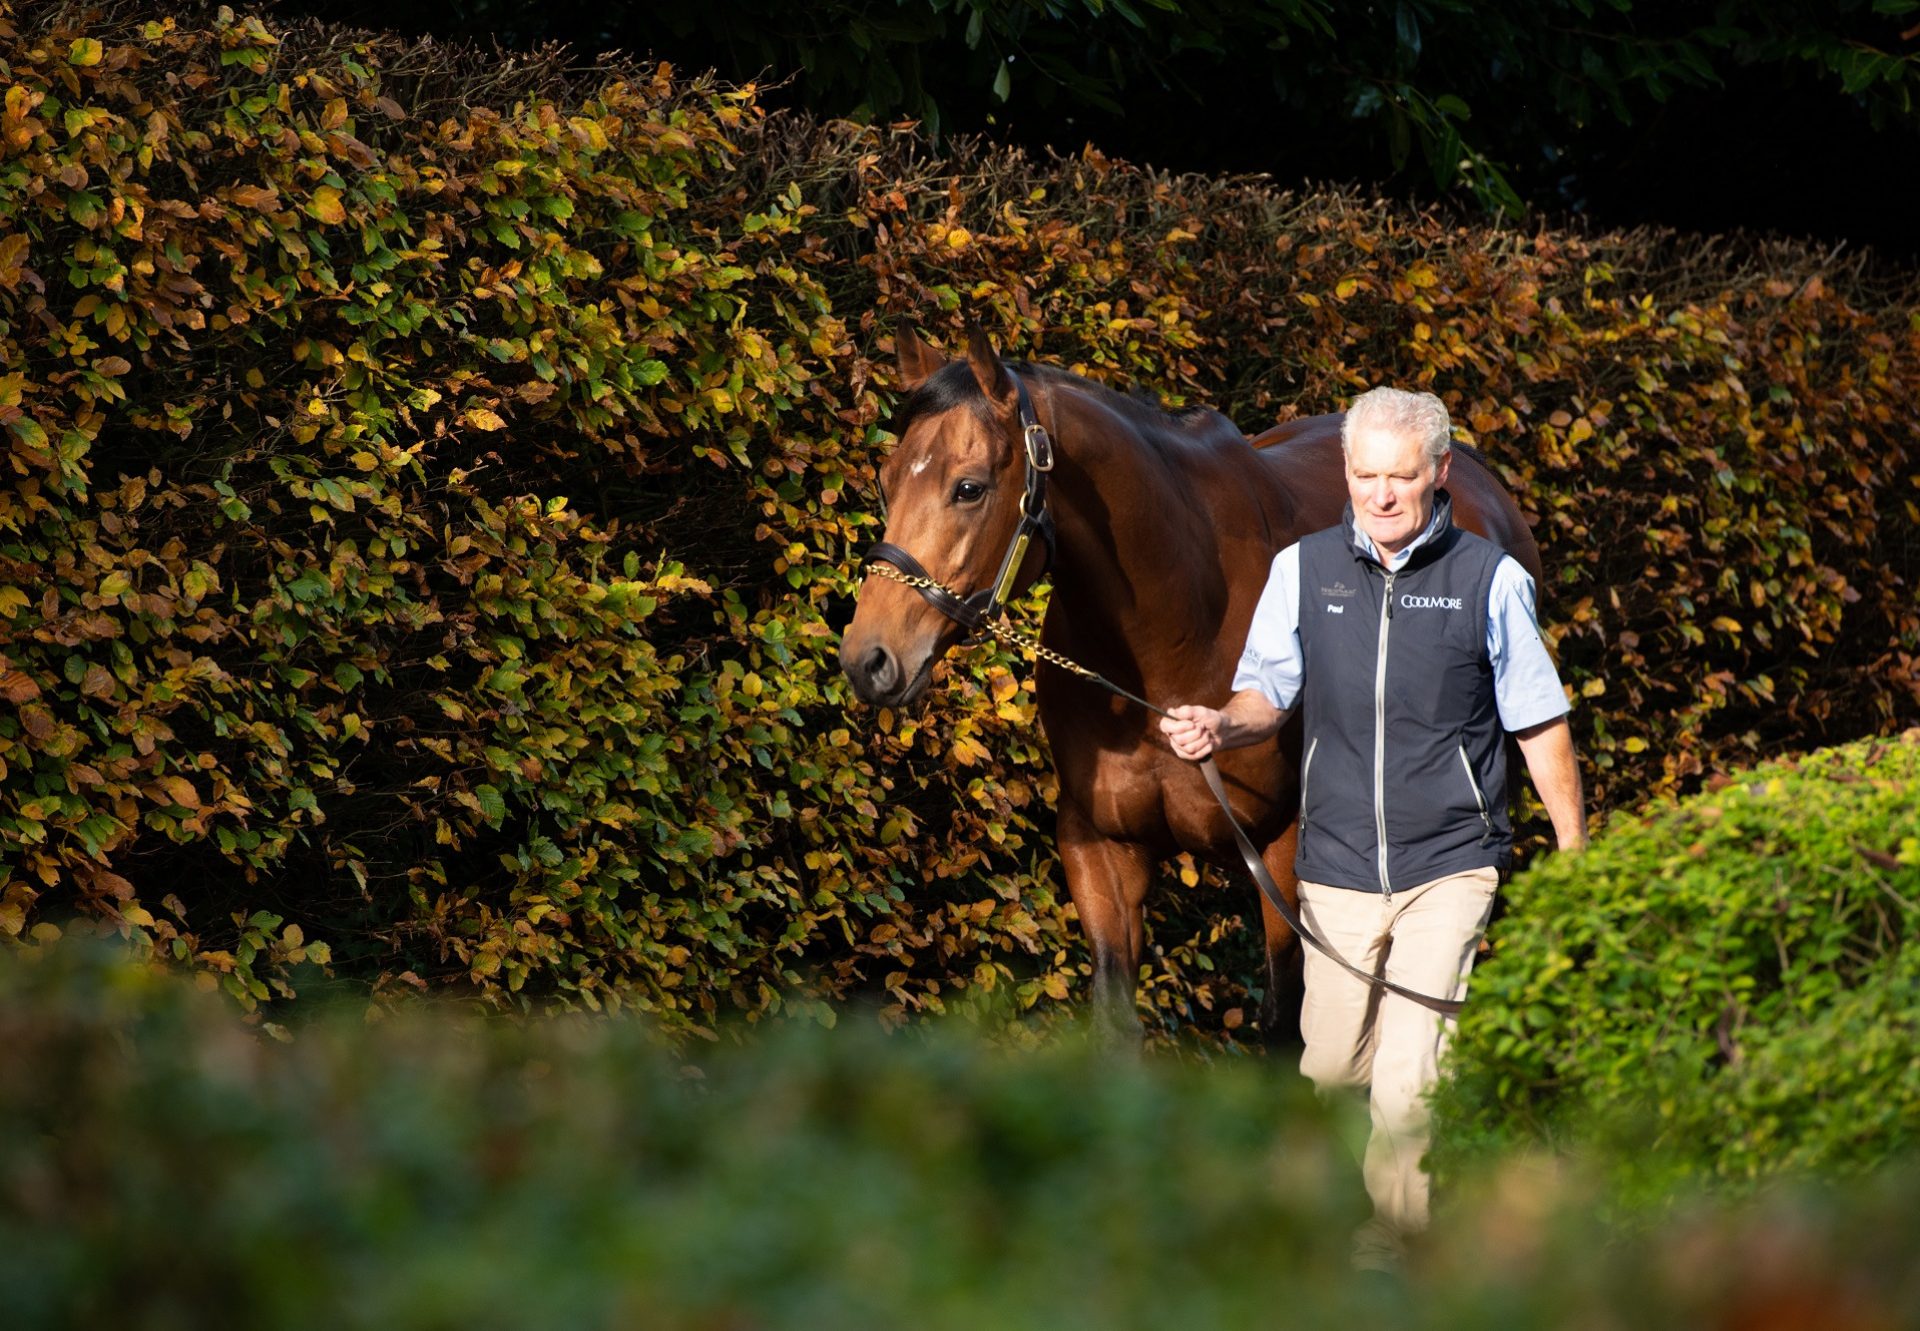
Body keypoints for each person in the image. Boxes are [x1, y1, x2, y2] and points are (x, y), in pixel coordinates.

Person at [1159, 386, 1586, 1265]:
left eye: (1400, 476)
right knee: (1332, 1070)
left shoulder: (1487, 580)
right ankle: (1338, 1211)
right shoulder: (1301, 571)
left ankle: (1392, 1248)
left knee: (1405, 1080)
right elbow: (1264, 694)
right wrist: (1219, 724)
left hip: (1451, 864)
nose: (1380, 494)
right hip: (1338, 863)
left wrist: (1575, 850)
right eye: (1364, 475)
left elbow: (1540, 721)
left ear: (1437, 474)